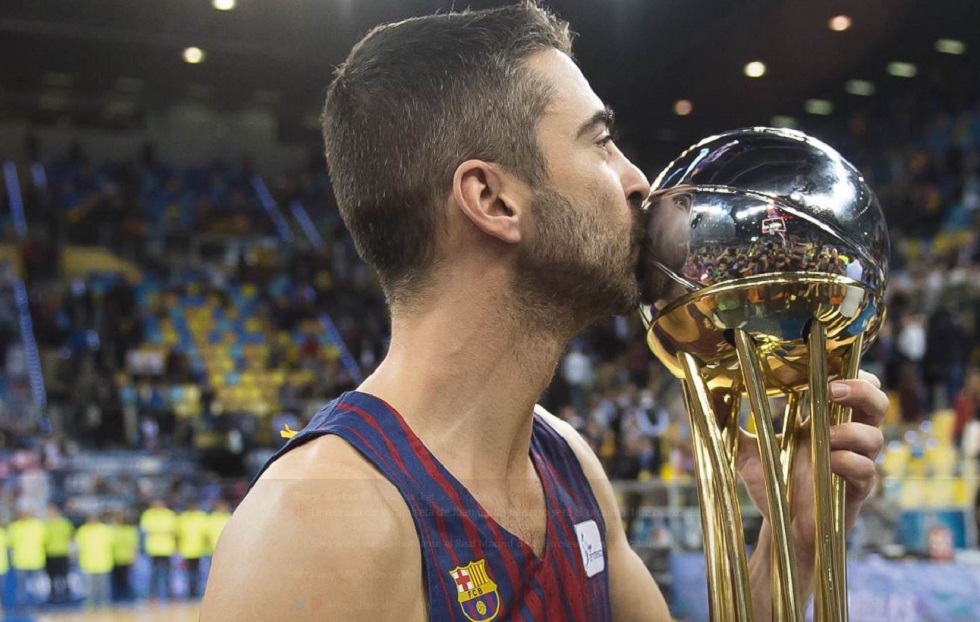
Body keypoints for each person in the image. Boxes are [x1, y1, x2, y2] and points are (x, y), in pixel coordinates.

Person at [202, 4, 888, 621]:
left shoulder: (568, 465)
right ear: (493, 200)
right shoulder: (317, 526)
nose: (638, 182)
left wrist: (796, 540)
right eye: (600, 141)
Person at [9, 510, 46, 612]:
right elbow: (11, 542)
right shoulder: (14, 527)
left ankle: (40, 605)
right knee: (21, 586)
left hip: (36, 560)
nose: (25, 515)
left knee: (39, 585)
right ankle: (21, 606)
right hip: (20, 561)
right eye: (23, 513)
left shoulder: (38, 525)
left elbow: (45, 540)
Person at [74, 513, 114, 609]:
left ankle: (104, 603)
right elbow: (78, 546)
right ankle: (90, 603)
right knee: (88, 587)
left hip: (103, 562)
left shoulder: (105, 530)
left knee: (103, 587)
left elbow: (111, 544)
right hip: (87, 563)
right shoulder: (82, 530)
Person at [140, 499, 177, 601]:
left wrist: (156, 532)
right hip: (153, 549)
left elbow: (173, 531)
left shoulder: (169, 514)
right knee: (154, 574)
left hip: (167, 549)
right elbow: (145, 531)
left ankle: (169, 594)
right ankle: (153, 595)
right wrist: (163, 533)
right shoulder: (147, 514)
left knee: (168, 573)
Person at [177, 501, 209, 599]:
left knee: (198, 573)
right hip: (187, 550)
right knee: (188, 573)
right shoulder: (183, 517)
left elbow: (206, 534)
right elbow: (178, 534)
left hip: (199, 550)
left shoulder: (201, 516)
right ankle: (189, 592)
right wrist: (178, 548)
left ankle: (196, 592)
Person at [43, 504, 74, 604]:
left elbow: (70, 538)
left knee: (64, 576)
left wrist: (71, 552)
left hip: (62, 553)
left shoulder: (65, 524)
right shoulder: (45, 524)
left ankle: (67, 596)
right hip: (50, 554)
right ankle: (53, 596)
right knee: (51, 577)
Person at [109, 510, 139, 602]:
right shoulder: (114, 530)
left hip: (126, 559)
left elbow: (134, 545)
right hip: (115, 559)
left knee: (127, 581)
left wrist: (134, 558)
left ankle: (128, 598)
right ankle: (118, 599)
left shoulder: (130, 530)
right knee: (117, 581)